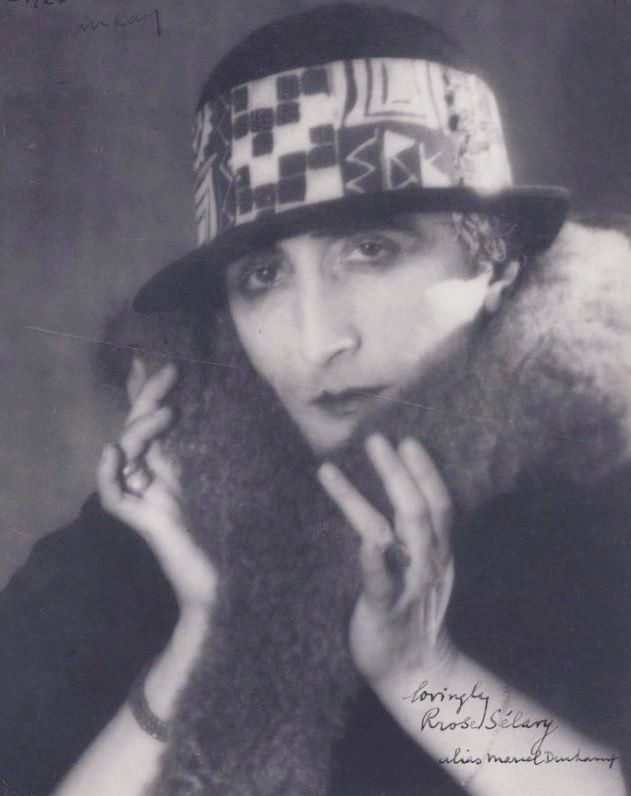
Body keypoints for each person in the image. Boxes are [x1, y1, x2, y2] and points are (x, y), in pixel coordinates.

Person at [1, 5, 629, 794]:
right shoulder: (150, 528)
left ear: (496, 262)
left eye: (371, 249)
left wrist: (423, 674)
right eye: (262, 276)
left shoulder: (606, 506)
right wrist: (204, 636)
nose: (317, 338)